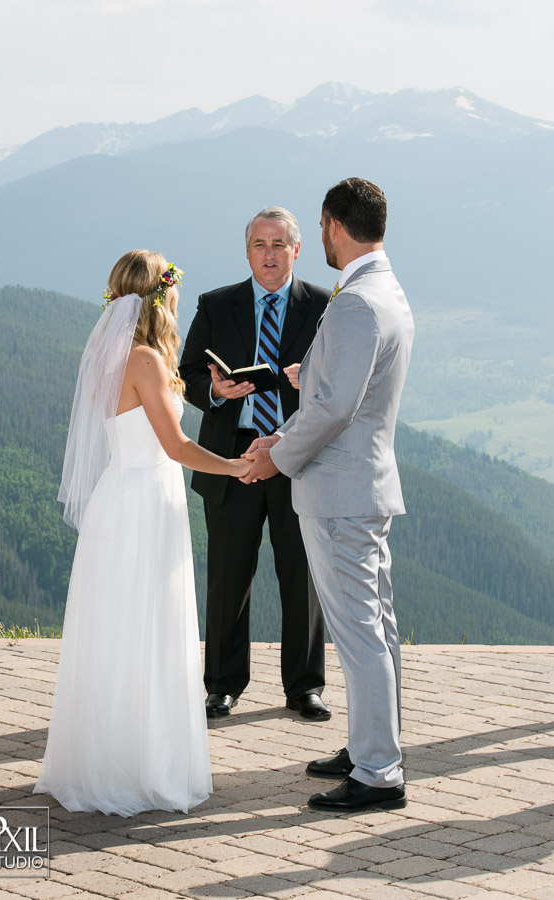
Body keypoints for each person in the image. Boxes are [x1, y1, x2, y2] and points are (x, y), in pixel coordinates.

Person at [34, 250, 251, 817]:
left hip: (119, 497)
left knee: (118, 629)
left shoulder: (107, 358)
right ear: (162, 297)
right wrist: (237, 466)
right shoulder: (147, 360)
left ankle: (106, 756)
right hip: (145, 503)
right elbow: (176, 448)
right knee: (148, 627)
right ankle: (144, 766)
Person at [242, 179, 415, 813]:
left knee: (358, 631)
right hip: (366, 482)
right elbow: (344, 386)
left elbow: (335, 408)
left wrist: (274, 456)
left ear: (331, 225)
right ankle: (374, 742)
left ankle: (377, 772)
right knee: (380, 625)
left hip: (340, 490)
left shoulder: (354, 303)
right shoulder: (385, 291)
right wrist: (307, 371)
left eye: (319, 229)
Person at [180, 208, 331, 720]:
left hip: (297, 458)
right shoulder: (216, 305)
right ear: (247, 251)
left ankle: (305, 687)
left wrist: (301, 383)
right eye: (260, 244)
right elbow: (187, 375)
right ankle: (222, 684)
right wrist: (216, 392)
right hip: (232, 460)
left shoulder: (324, 306)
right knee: (228, 577)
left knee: (302, 576)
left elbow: (336, 382)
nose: (269, 254)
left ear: (296, 249)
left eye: (279, 244)